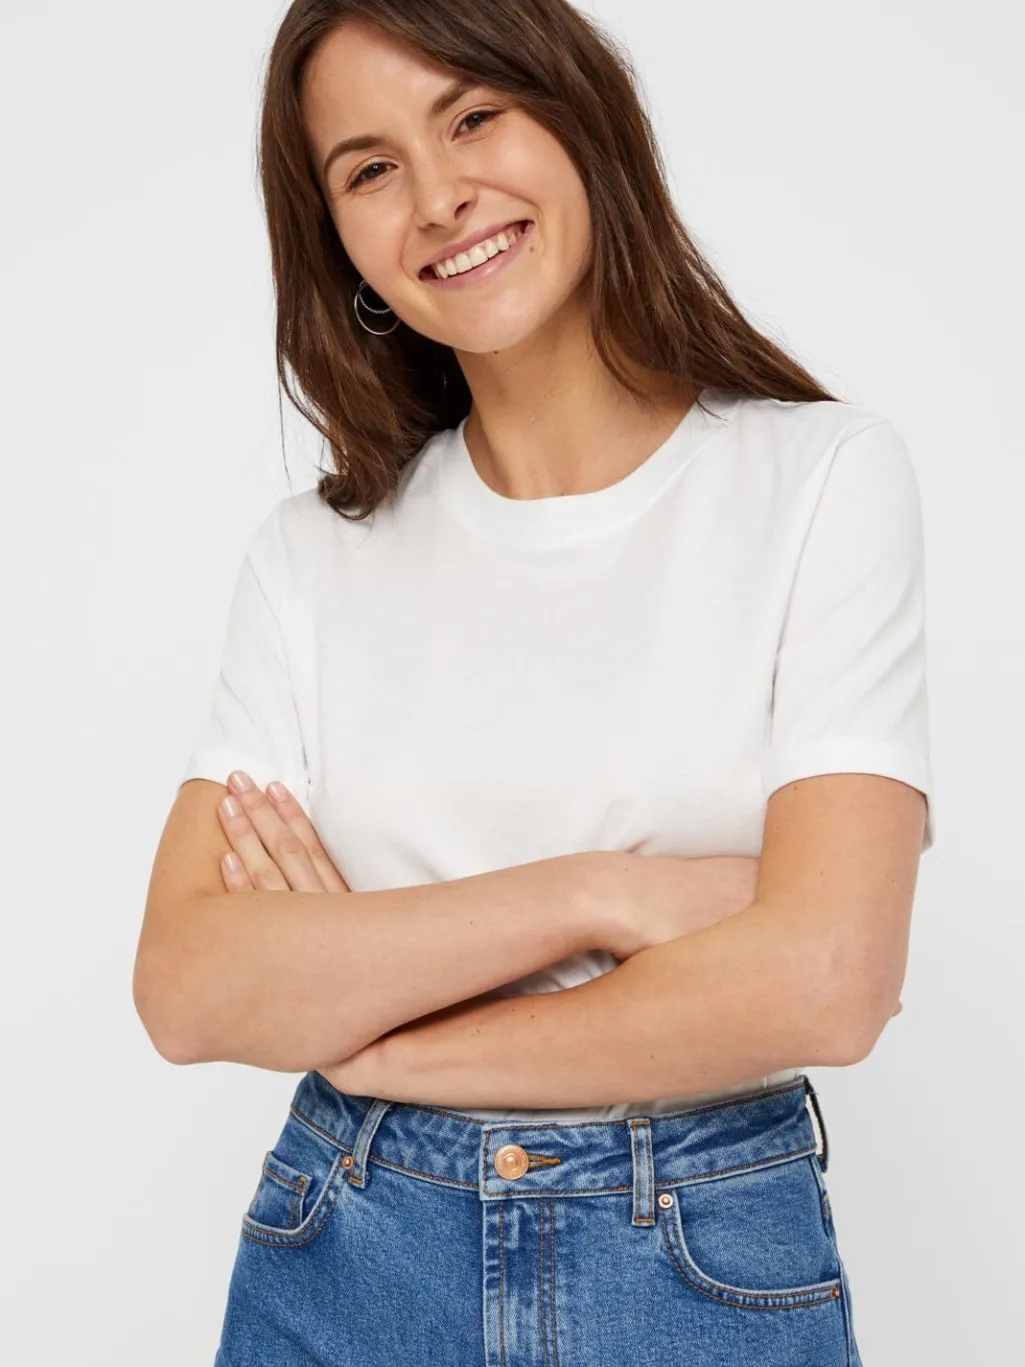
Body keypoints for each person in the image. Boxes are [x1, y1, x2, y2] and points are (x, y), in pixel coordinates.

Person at [133, 2, 935, 1363]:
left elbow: (827, 979)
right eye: (370, 168)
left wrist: (383, 1043)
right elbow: (189, 985)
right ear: (339, 240)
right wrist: (598, 891)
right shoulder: (314, 557)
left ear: (579, 117)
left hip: (694, 1257)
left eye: (474, 117)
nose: (440, 197)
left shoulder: (819, 480)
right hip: (345, 1254)